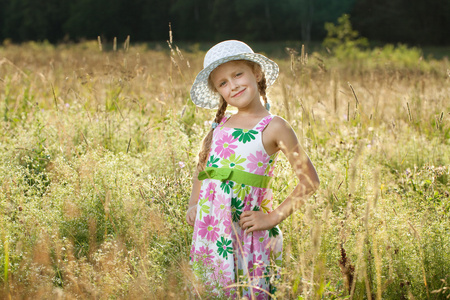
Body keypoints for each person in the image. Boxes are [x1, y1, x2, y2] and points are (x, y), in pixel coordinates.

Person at [186, 40, 319, 299]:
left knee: (245, 290)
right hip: (210, 231)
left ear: (256, 73)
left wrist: (272, 217)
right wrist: (194, 204)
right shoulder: (219, 125)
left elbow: (310, 182)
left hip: (246, 233)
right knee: (211, 290)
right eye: (223, 83)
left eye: (238, 74)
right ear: (219, 92)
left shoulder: (274, 126)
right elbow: (203, 170)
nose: (233, 84)